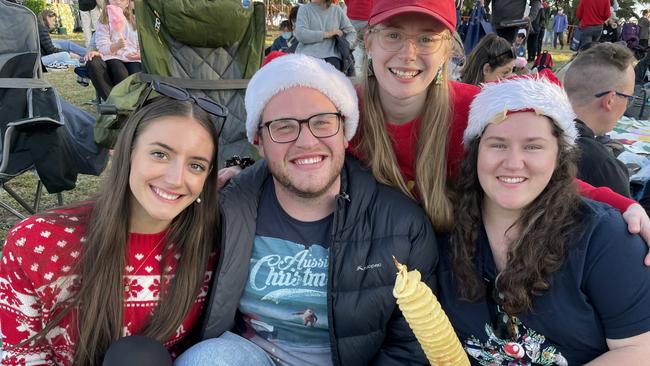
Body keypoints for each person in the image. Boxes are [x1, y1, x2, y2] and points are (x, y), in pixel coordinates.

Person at [219, 0, 650, 262]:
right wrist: (236, 179)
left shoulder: (476, 111)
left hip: (458, 271)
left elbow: (539, 172)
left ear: (448, 46)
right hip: (360, 276)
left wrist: (622, 205)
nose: (408, 54)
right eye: (392, 35)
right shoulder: (336, 110)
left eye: (427, 39)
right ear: (368, 41)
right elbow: (289, 154)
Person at [182, 54, 435, 365]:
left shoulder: (401, 225)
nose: (306, 141)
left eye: (322, 123)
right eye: (284, 127)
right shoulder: (227, 209)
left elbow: (411, 346)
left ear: (345, 132)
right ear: (259, 141)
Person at [438, 76, 650, 364]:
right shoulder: (444, 233)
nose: (513, 162)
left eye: (533, 146)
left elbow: (639, 349)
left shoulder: (606, 240)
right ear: (476, 153)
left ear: (559, 156)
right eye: (497, 145)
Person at [0, 94, 222, 365]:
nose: (175, 179)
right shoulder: (35, 242)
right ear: (126, 153)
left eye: (196, 166)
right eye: (160, 154)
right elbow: (22, 355)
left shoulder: (211, 245)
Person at [564, 42, 634, 197]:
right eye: (629, 98)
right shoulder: (601, 165)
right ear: (610, 100)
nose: (627, 105)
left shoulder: (537, 129)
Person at [95, 0, 141, 97]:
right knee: (120, 71)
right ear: (108, 2)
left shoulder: (134, 21)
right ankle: (120, 101)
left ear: (127, 3)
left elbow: (138, 43)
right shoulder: (104, 21)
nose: (118, 1)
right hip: (113, 56)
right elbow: (101, 46)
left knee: (136, 73)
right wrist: (116, 46)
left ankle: (134, 102)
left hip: (131, 57)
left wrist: (138, 53)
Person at [294, 0, 356, 71]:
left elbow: (352, 32)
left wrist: (345, 46)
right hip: (306, 56)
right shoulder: (304, 9)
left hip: (332, 59)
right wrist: (327, 34)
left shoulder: (336, 10)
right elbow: (300, 34)